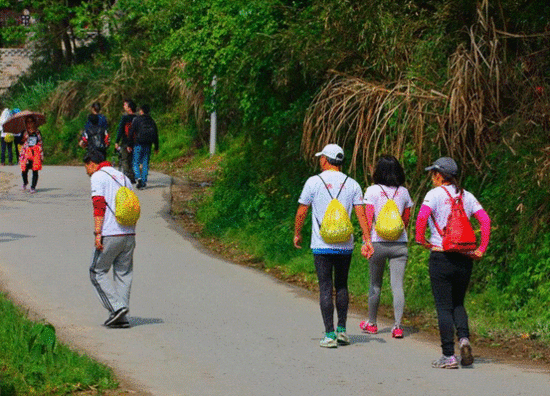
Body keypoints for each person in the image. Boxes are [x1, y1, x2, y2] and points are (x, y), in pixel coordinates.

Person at [415, 157, 491, 368]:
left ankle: (448, 355)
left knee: (443, 307)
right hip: (465, 259)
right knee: (458, 303)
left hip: (441, 256)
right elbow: (485, 221)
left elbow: (422, 218)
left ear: (440, 175)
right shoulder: (467, 196)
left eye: (433, 173)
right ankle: (464, 339)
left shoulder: (434, 195)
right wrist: (481, 249)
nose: (432, 177)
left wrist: (421, 239)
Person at [294, 144, 372, 348]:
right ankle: (342, 331)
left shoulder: (313, 182)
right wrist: (367, 238)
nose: (320, 160)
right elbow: (360, 213)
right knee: (342, 285)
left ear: (325, 160)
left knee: (326, 288)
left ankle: (329, 335)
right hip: (344, 245)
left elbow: (302, 211)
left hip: (322, 244)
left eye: (321, 157)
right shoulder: (353, 184)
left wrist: (297, 233)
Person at [359, 155, 414, 339]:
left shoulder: (372, 191)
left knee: (375, 284)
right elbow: (405, 220)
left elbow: (368, 217)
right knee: (397, 286)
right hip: (399, 245)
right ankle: (397, 327)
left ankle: (372, 323)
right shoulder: (404, 192)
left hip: (377, 243)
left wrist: (365, 241)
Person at [84, 151, 136, 329]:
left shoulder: (98, 176)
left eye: (87, 168)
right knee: (123, 274)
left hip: (110, 233)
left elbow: (98, 205)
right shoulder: (123, 177)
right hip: (129, 233)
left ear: (92, 163)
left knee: (96, 271)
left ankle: (117, 308)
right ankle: (121, 318)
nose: (88, 173)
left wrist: (97, 232)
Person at [129, 104, 159, 189]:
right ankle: (143, 181)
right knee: (145, 163)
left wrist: (129, 144)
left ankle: (138, 178)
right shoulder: (151, 120)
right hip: (148, 144)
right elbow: (155, 134)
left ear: (141, 111)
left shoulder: (137, 119)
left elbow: (131, 132)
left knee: (135, 162)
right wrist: (156, 147)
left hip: (138, 143)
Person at [19, 115, 43, 193]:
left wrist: (39, 150)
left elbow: (40, 142)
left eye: (31, 121)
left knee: (35, 169)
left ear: (34, 123)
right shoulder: (24, 132)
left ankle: (33, 187)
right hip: (25, 153)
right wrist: (24, 139)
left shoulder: (37, 132)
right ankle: (25, 182)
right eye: (27, 122)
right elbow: (19, 142)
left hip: (35, 152)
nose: (29, 123)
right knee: (24, 170)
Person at [115, 99, 137, 183]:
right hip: (135, 142)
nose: (124, 107)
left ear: (129, 108)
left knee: (125, 159)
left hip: (125, 141)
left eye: (125, 105)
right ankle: (133, 175)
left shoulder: (125, 118)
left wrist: (117, 141)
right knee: (133, 159)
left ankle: (128, 176)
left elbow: (120, 130)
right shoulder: (137, 118)